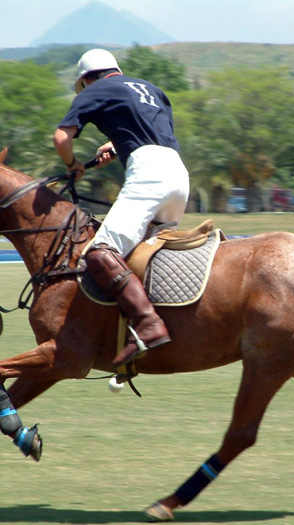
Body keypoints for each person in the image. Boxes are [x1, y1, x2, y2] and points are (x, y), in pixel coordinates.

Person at [53, 48, 190, 369]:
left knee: (99, 252)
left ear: (86, 79)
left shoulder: (96, 89)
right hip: (178, 177)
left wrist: (73, 164)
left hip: (148, 175)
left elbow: (61, 138)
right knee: (143, 257)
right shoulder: (152, 90)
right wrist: (116, 145)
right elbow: (155, 133)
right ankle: (145, 332)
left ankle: (147, 325)